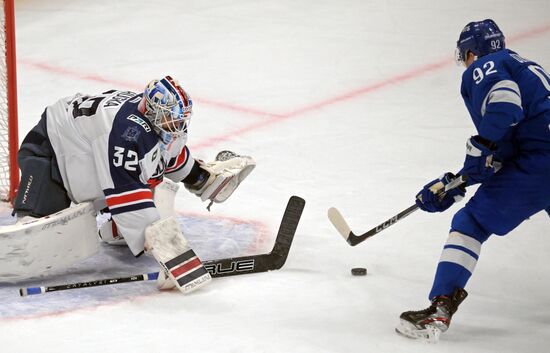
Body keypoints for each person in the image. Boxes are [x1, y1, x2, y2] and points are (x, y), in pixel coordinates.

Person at [12, 76, 255, 288]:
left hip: (86, 152)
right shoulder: (126, 132)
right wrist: (167, 253)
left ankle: (117, 227)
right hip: (51, 148)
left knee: (147, 176)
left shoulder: (156, 123)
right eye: (171, 119)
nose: (177, 126)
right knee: (36, 231)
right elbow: (127, 194)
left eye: (180, 119)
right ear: (152, 111)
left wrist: (201, 179)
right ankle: (40, 217)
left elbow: (166, 156)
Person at [395, 19, 550, 341]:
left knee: (470, 223)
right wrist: (459, 181)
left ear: (469, 52)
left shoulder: (486, 65)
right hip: (538, 157)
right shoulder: (523, 65)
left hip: (541, 163)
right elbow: (512, 140)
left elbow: (505, 105)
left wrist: (479, 153)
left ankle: (439, 309)